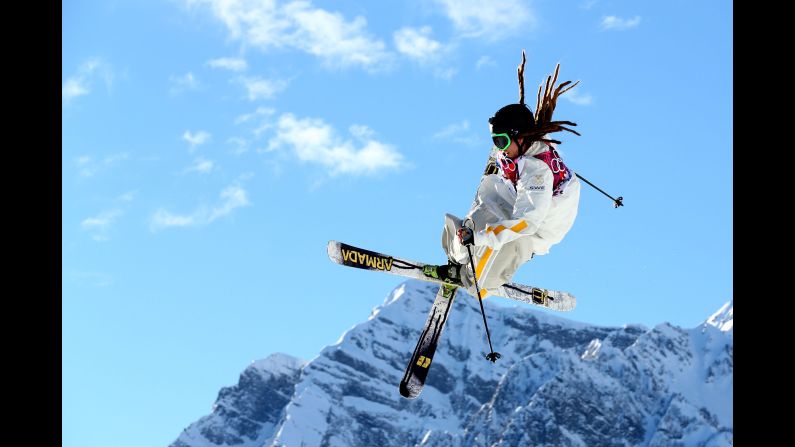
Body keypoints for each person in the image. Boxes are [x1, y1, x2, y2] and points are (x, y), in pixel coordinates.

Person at [423, 66, 582, 298]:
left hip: (541, 223)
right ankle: (461, 255)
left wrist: (480, 238)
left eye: (501, 140)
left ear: (521, 137)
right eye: (494, 138)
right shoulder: (519, 148)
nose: (499, 146)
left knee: (503, 242)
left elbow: (526, 222)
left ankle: (480, 278)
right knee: (486, 204)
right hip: (517, 195)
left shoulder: (536, 172)